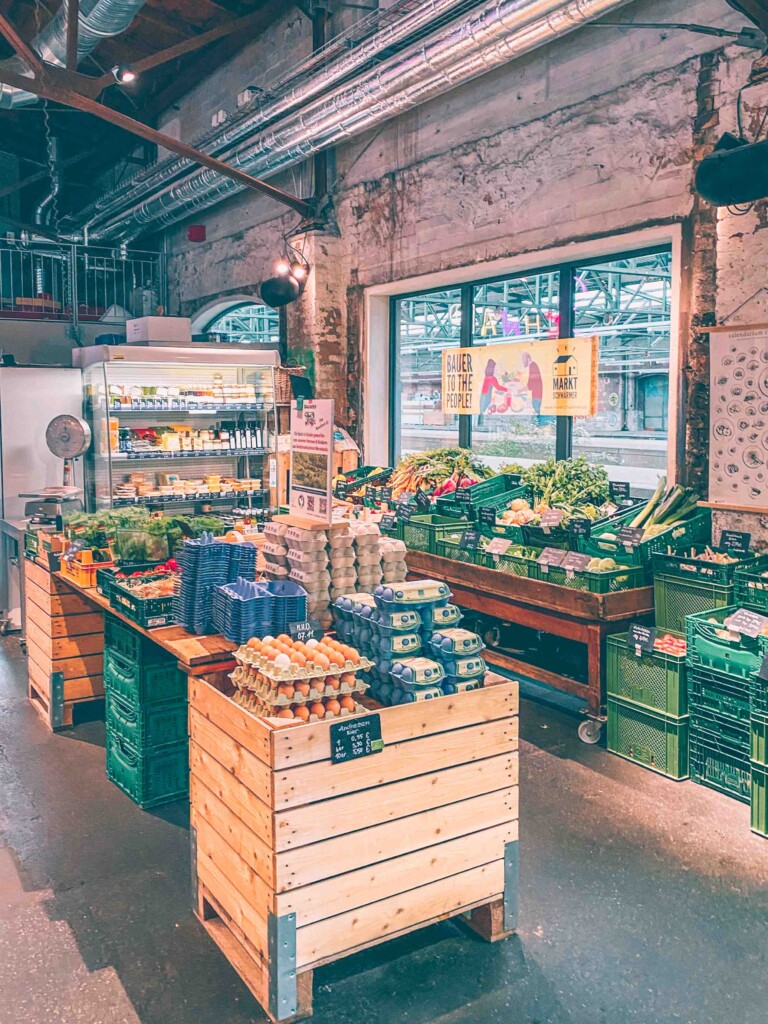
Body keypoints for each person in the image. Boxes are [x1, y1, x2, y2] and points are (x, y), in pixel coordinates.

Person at [478, 357, 508, 424]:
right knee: (483, 412)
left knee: (481, 412)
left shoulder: (486, 377)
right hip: (486, 397)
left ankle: (480, 423)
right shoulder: (492, 378)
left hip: (483, 396)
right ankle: (481, 423)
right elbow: (498, 387)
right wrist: (507, 389)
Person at [522, 351, 543, 421]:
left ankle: (538, 425)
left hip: (537, 394)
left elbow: (531, 383)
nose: (523, 362)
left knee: (536, 410)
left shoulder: (533, 366)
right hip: (537, 393)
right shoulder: (533, 365)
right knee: (536, 409)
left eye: (524, 360)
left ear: (528, 359)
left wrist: (521, 390)